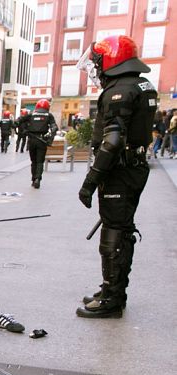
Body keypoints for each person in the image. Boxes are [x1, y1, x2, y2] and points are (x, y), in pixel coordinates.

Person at [76, 35, 156, 319]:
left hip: (120, 172)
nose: (96, 69)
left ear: (111, 60)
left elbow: (111, 142)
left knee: (114, 234)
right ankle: (112, 290)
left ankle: (112, 299)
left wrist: (90, 183)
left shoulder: (119, 91)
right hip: (132, 168)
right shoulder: (140, 85)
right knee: (121, 230)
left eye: (98, 62)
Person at [24, 99, 58, 189]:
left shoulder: (31, 114)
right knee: (40, 161)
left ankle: (33, 178)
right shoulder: (49, 115)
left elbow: (19, 121)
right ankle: (38, 179)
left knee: (33, 161)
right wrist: (50, 140)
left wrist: (23, 130)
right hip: (42, 141)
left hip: (32, 140)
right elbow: (54, 128)